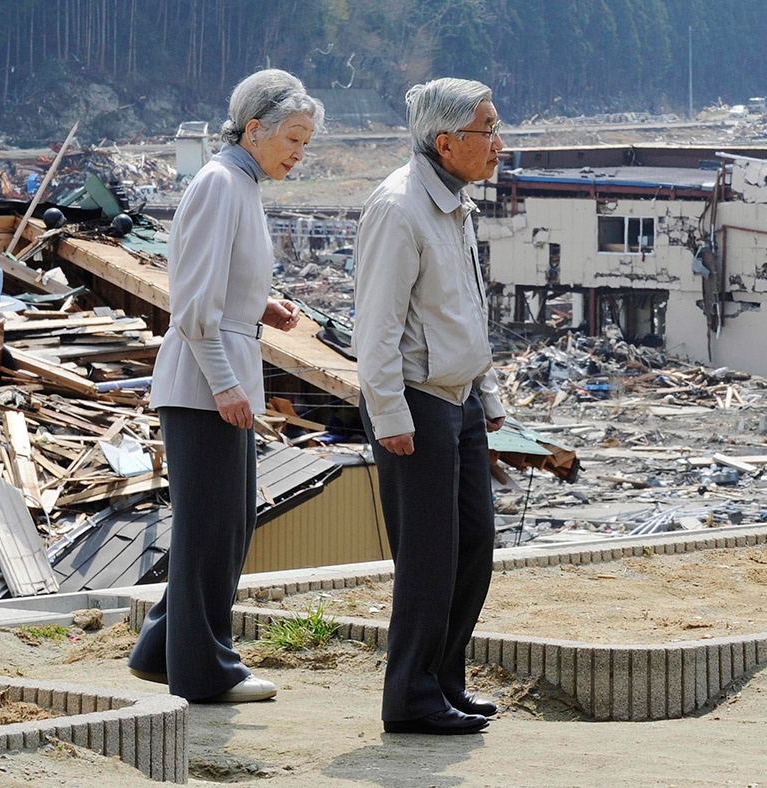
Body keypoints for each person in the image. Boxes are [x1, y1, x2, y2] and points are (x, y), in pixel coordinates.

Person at [128, 69, 324, 703]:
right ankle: (206, 671)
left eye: (306, 141)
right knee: (213, 528)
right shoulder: (221, 184)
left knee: (222, 522)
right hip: (204, 382)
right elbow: (190, 303)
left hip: (219, 373)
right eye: (293, 137)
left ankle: (163, 649)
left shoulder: (239, 184)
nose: (300, 151)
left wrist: (258, 307)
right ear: (255, 128)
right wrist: (225, 384)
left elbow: (217, 280)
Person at [353, 77, 505, 734]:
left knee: (473, 543)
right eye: (488, 131)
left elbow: (465, 307)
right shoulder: (397, 208)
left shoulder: (454, 203)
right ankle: (410, 696)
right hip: (415, 403)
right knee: (427, 557)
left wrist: (489, 395)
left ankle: (443, 679)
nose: (499, 145)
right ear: (446, 143)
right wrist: (388, 416)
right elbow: (375, 327)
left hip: (460, 398)